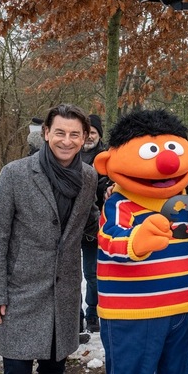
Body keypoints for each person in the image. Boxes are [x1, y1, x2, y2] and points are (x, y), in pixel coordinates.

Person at [0, 103, 99, 374]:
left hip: (64, 294)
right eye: (60, 132)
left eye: (75, 134)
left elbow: (89, 222)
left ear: (84, 137)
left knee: (54, 373)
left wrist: (119, 203)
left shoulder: (89, 177)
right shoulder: (15, 173)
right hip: (21, 293)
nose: (67, 141)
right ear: (46, 133)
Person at [93, 109, 188, 374]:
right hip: (132, 313)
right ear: (107, 163)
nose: (165, 162)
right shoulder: (119, 204)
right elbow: (108, 238)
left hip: (181, 310)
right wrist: (136, 242)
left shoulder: (185, 202)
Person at [78, 114, 108, 335]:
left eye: (93, 133)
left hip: (93, 225)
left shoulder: (105, 159)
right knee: (69, 275)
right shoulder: (69, 156)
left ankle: (92, 313)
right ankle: (74, 316)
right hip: (68, 225)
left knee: (92, 273)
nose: (89, 137)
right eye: (86, 133)